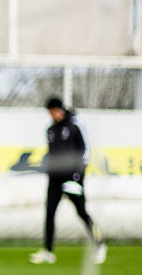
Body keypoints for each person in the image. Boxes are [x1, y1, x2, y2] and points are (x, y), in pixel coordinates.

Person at [33, 96, 106, 265]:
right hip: (55, 179)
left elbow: (85, 150)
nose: (53, 115)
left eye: (54, 111)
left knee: (81, 212)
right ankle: (48, 251)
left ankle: (99, 244)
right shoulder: (50, 130)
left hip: (73, 178)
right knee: (49, 213)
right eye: (50, 113)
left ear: (60, 109)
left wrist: (77, 175)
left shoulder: (74, 125)